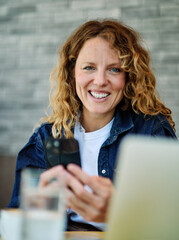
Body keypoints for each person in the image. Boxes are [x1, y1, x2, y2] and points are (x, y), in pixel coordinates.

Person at [9, 19, 177, 231]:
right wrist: (40, 208)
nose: (99, 81)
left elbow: (171, 224)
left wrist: (119, 212)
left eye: (114, 70)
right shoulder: (46, 138)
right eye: (89, 67)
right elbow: (20, 222)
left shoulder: (150, 131)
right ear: (72, 73)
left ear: (128, 77)